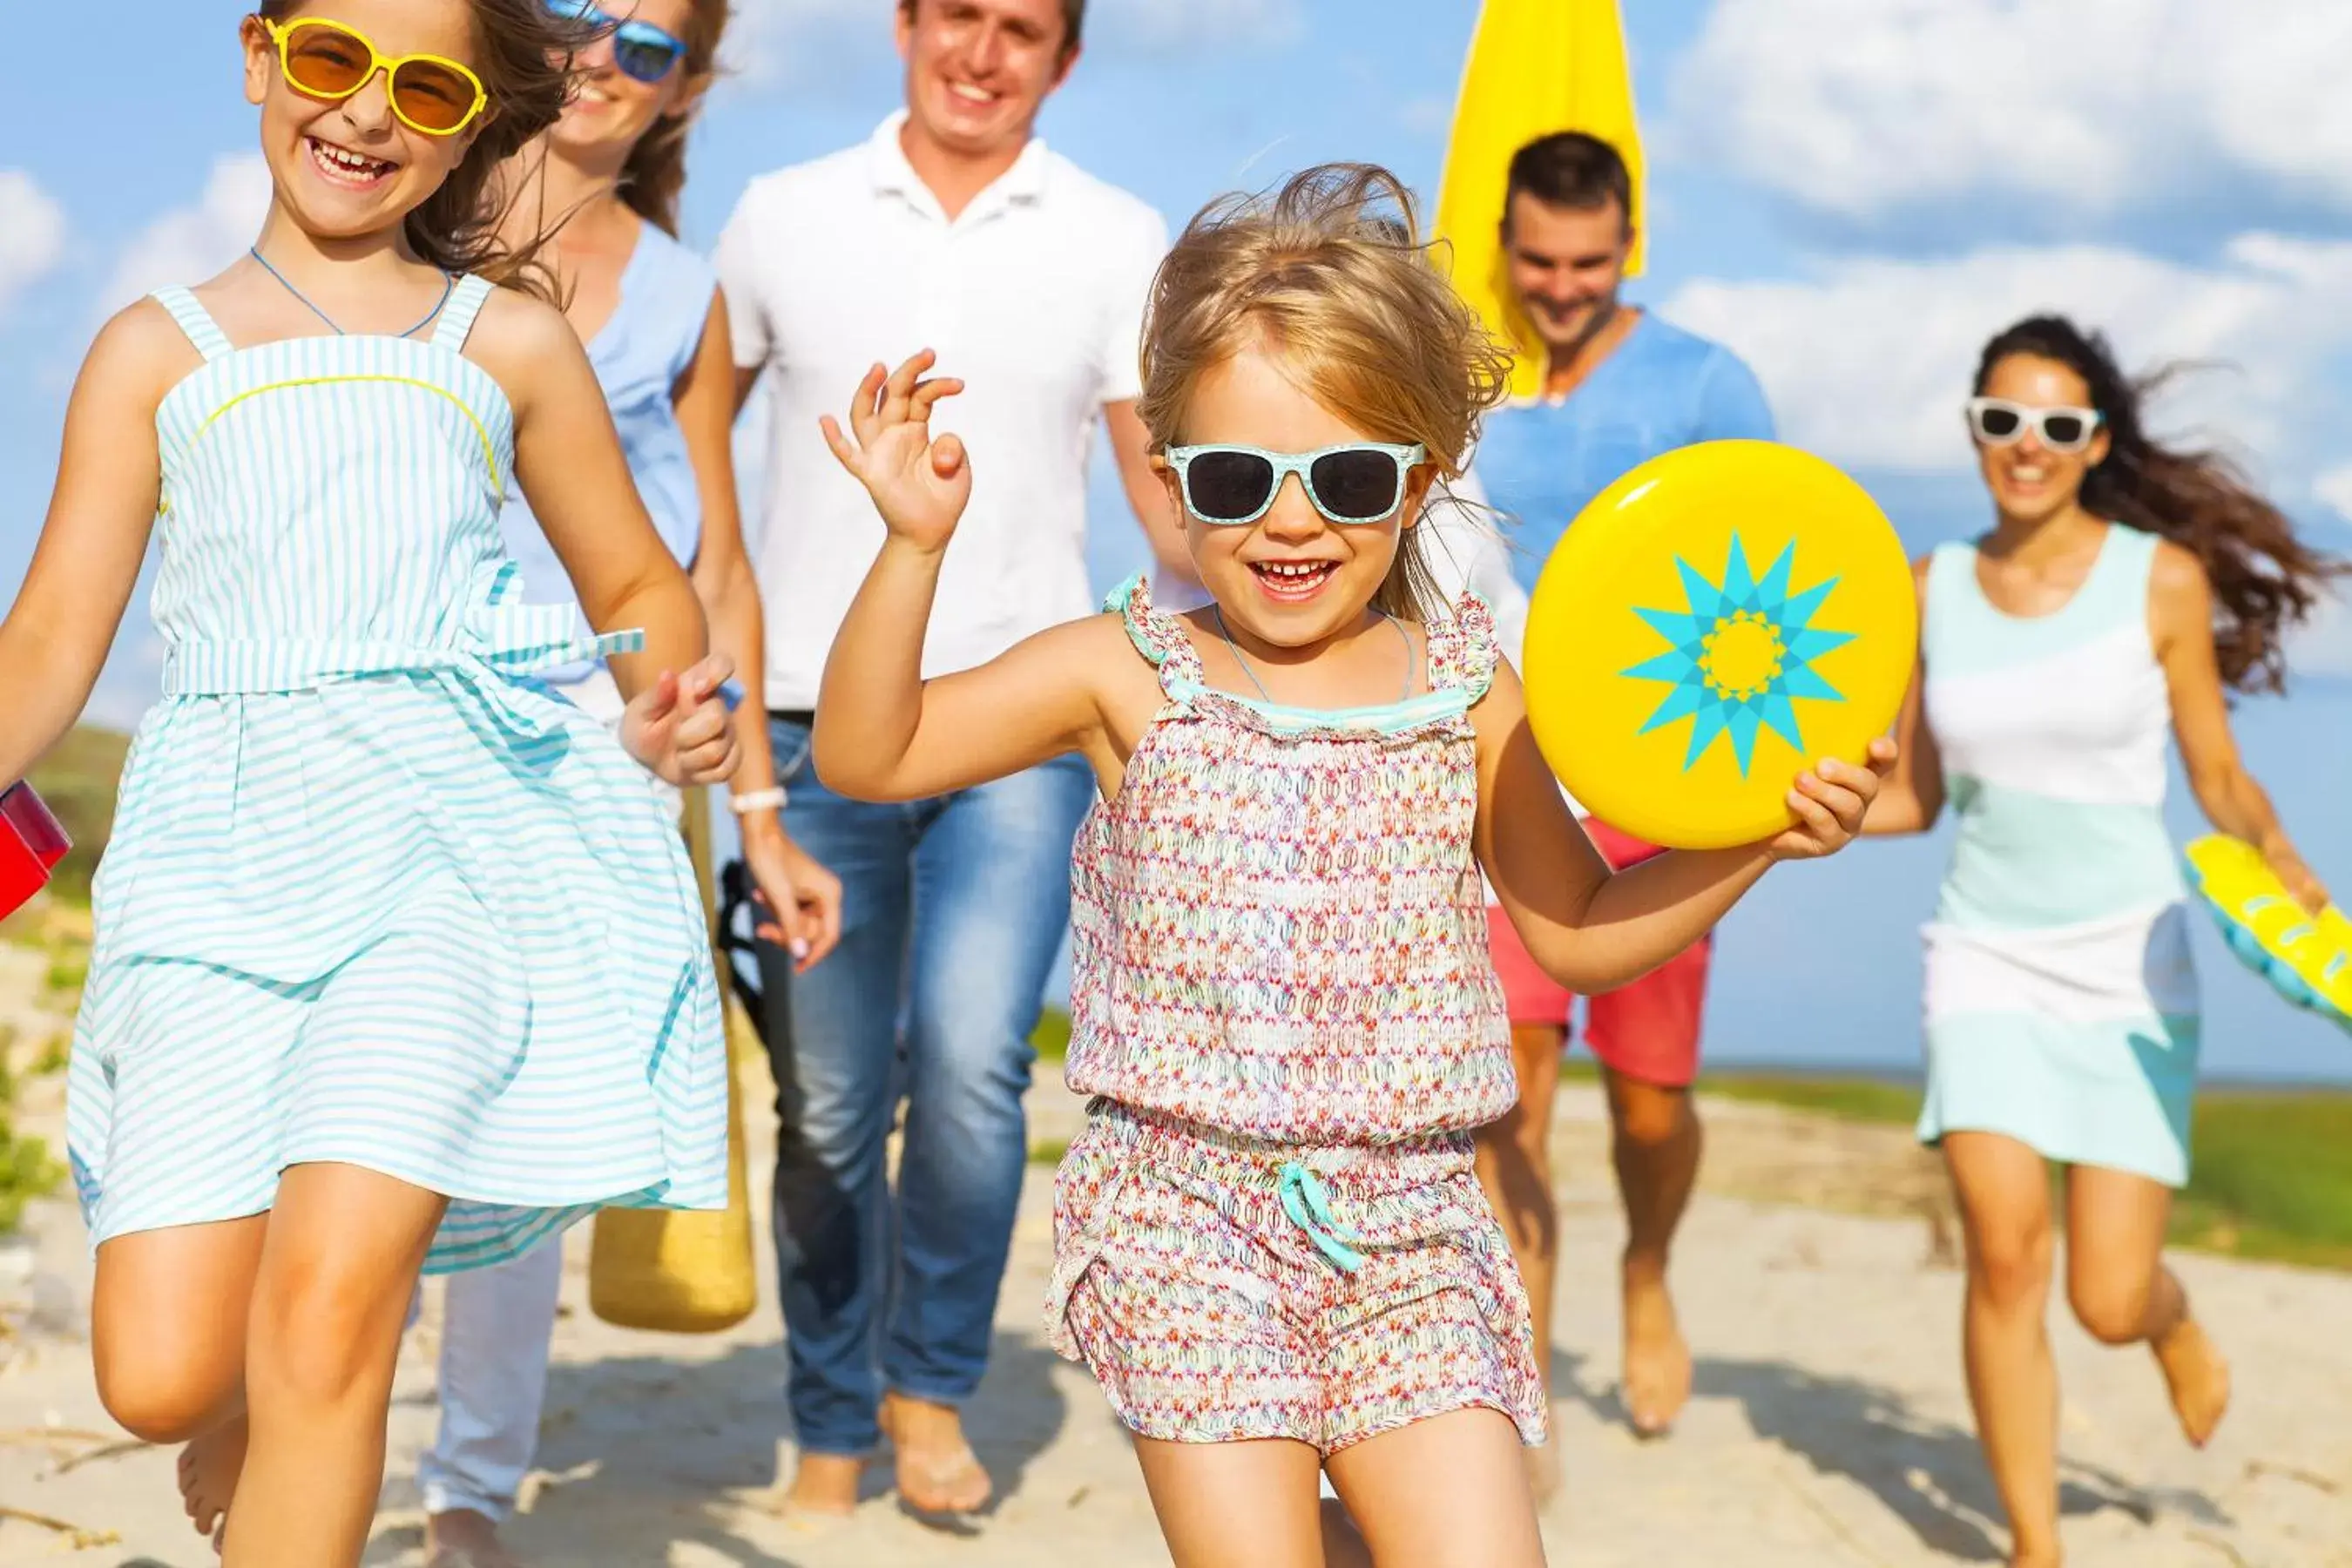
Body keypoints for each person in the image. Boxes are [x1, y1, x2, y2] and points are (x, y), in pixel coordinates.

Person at [808, 161, 1890, 1568]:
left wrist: (1760, 834)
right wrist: (911, 548)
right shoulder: (1129, 672)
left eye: (1352, 477)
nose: (1292, 520)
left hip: (1418, 1230)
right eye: (1238, 476)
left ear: (1422, 480)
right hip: (1184, 1222)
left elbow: (1576, 929)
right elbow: (868, 754)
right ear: (1172, 479)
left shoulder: (1466, 687)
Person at [0, 3, 740, 1560]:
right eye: (334, 60)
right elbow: (52, 641)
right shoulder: (153, 348)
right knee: (157, 1371)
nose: (368, 113)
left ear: (476, 119)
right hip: (213, 867)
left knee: (332, 1314)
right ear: (263, 56)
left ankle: (315, 1378)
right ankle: (250, 1406)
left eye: (427, 84)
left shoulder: (510, 341)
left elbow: (643, 589)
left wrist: (673, 707)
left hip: (449, 859)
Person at [710, 0, 1173, 1517]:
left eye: (1022, 28)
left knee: (975, 1071)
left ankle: (927, 1394)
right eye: (958, 15)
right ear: (905, 25)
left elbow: (1168, 503)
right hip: (804, 720)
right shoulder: (782, 217)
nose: (984, 52)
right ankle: (829, 1412)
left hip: (1020, 730)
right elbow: (695, 448)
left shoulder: (1118, 237)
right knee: (830, 1104)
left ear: (1066, 58)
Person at [406, 3, 844, 1564]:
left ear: (687, 90)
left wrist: (766, 819)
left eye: (648, 44)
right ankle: (298, 1396)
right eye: (580, 17)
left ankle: (466, 1486)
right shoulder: (412, 205)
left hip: (608, 734)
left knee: (523, 1116)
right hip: (405, 706)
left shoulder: (680, 296)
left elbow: (715, 552)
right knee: (366, 1084)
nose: (603, 57)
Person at [1864, 316, 2340, 1568]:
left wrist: (2285, 862)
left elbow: (2219, 773)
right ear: (1975, 431)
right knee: (2006, 1255)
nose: (2029, 447)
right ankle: (2036, 1546)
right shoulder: (1929, 588)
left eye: (2058, 426)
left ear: (2096, 444)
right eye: (2004, 422)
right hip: (1983, 956)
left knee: (2106, 1295)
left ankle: (2173, 1325)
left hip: (2130, 961)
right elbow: (1912, 795)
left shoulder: (2159, 580)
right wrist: (1759, 813)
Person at [1459, 131, 1777, 1460]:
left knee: (1649, 1103)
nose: (1561, 285)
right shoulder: (1469, 386)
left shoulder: (1707, 381)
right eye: (1537, 259)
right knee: (1509, 1092)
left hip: (1667, 775)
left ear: (1628, 246)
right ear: (1508, 243)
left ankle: (1647, 1267)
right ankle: (1518, 1397)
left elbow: (1769, 584)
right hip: (1512, 769)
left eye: (1588, 263)